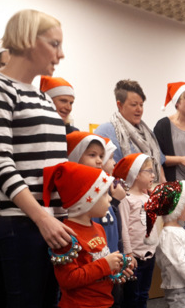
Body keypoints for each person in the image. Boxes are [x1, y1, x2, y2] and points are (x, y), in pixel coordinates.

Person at [0, 9, 73, 307]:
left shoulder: (41, 98)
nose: (60, 54)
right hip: (20, 221)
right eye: (54, 44)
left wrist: (64, 217)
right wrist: (41, 218)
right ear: (26, 40)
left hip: (50, 222)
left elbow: (56, 166)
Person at [43, 162, 134, 308]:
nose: (110, 199)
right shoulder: (66, 235)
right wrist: (106, 264)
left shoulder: (98, 228)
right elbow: (68, 280)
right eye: (105, 194)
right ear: (85, 201)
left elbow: (96, 268)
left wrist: (115, 268)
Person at [66, 131, 127, 307]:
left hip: (104, 285)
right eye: (93, 155)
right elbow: (70, 277)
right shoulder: (71, 230)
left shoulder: (96, 225)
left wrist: (117, 264)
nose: (100, 161)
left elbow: (110, 237)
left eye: (102, 156)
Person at [145, 180, 185, 308]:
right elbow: (180, 262)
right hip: (177, 287)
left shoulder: (179, 230)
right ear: (177, 208)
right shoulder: (169, 234)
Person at [95, 79, 166, 183]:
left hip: (152, 192)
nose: (139, 109)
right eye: (134, 105)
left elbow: (158, 164)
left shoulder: (148, 133)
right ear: (119, 105)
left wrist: (163, 188)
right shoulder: (104, 132)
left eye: (141, 105)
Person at [113, 153, 160, 308]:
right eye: (149, 171)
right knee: (132, 296)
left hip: (149, 254)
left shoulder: (148, 198)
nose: (153, 175)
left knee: (144, 294)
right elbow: (124, 228)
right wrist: (128, 253)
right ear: (136, 174)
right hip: (134, 258)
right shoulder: (126, 199)